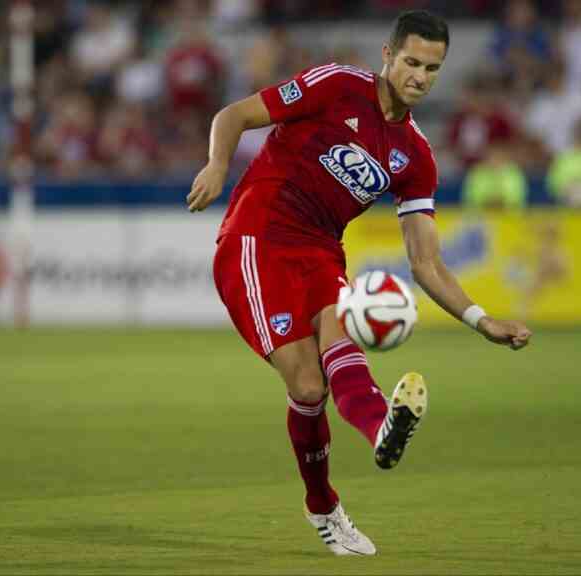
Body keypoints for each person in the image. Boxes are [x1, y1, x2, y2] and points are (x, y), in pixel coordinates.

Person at [187, 10, 532, 556]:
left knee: (340, 344)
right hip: (257, 237)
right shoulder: (338, 85)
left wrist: (481, 320)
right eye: (412, 62)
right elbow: (233, 115)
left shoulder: (416, 157)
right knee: (306, 387)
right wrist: (216, 164)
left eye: (432, 68)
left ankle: (382, 433)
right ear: (388, 56)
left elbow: (427, 264)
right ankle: (322, 507)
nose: (420, 75)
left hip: (322, 251)